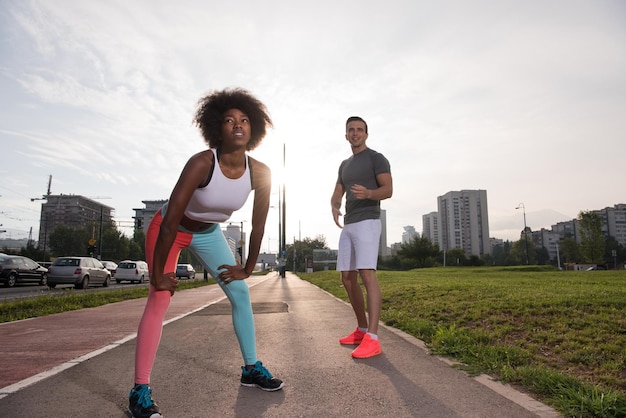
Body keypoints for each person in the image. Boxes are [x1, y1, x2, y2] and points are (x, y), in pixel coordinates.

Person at [128, 88, 284, 418]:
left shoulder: (261, 172)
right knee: (159, 297)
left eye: (244, 120)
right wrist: (158, 275)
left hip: (209, 234)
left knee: (240, 292)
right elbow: (170, 221)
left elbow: (258, 226)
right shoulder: (202, 163)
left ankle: (250, 370)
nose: (238, 125)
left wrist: (247, 267)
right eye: (229, 120)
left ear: (253, 128)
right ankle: (140, 390)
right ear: (218, 128)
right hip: (171, 230)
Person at [330, 116, 392, 359]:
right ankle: (362, 329)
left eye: (359, 130)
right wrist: (335, 206)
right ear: (346, 135)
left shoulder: (377, 158)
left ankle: (373, 339)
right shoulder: (344, 164)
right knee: (347, 278)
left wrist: (369, 193)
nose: (355, 133)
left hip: (367, 221)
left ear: (366, 134)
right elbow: (337, 194)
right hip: (349, 224)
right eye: (351, 130)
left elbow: (388, 190)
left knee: (367, 275)